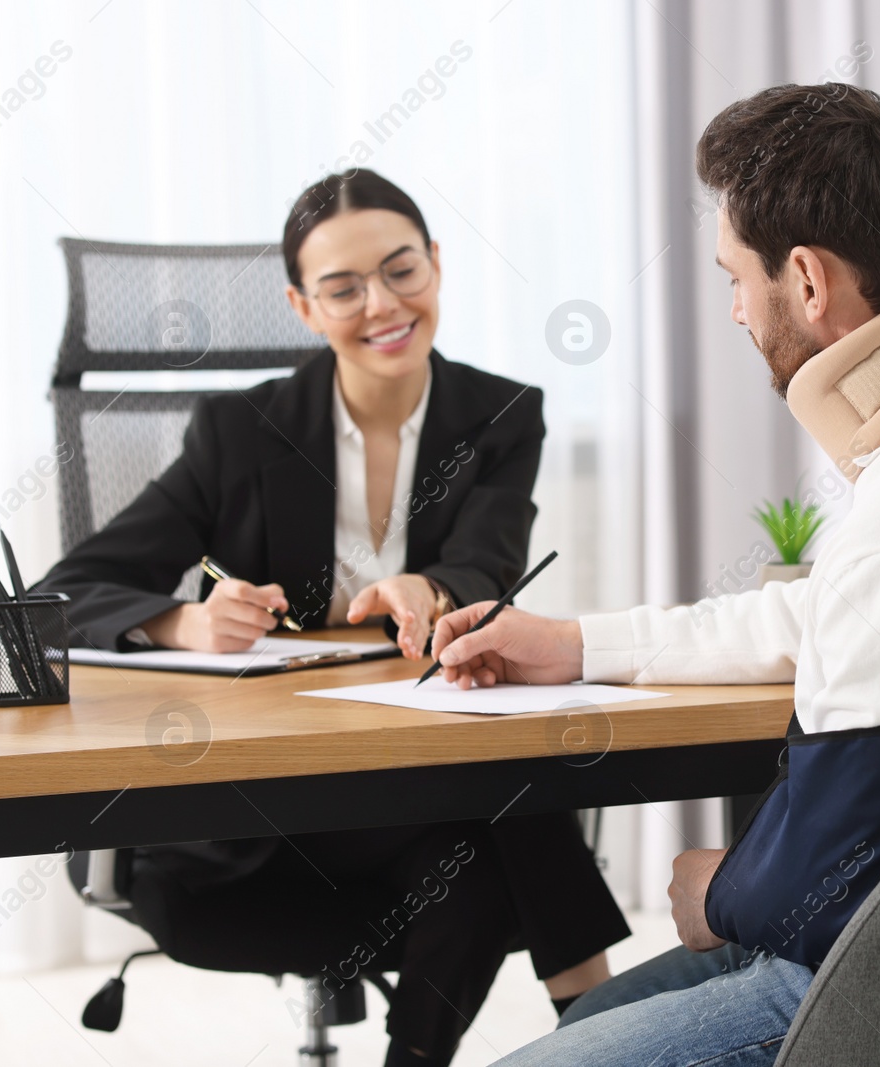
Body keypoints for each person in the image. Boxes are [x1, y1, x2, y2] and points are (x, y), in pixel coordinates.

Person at [428, 85, 880, 1066]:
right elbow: (838, 611)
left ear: (808, 281)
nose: (735, 309)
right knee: (586, 1028)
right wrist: (577, 645)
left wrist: (715, 887)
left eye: (735, 276)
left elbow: (815, 887)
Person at [33, 169, 629, 1066]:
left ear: (437, 263)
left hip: (414, 794)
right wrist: (180, 624)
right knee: (502, 813)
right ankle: (600, 1016)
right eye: (343, 288)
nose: (381, 304)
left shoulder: (500, 414)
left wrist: (428, 586)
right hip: (254, 816)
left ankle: (571, 1030)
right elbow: (64, 593)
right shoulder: (239, 431)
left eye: (401, 271)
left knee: (476, 859)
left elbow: (487, 559)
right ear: (301, 306)